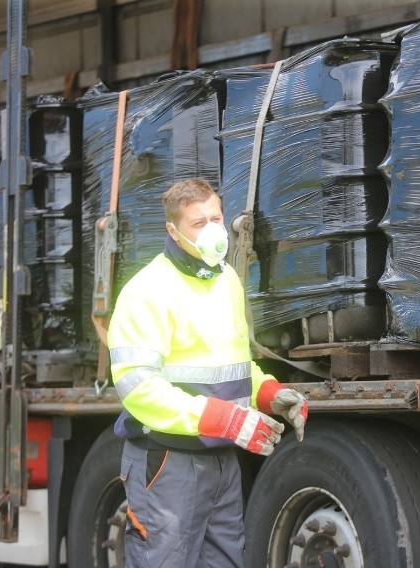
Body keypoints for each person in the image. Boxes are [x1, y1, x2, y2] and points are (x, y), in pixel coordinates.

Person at [107, 177, 309, 568]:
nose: (214, 230)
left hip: (221, 462)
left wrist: (269, 393)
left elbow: (230, 367)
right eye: (198, 223)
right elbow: (137, 386)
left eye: (216, 218)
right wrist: (222, 418)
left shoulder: (226, 281)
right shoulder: (146, 291)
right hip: (167, 463)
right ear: (172, 230)